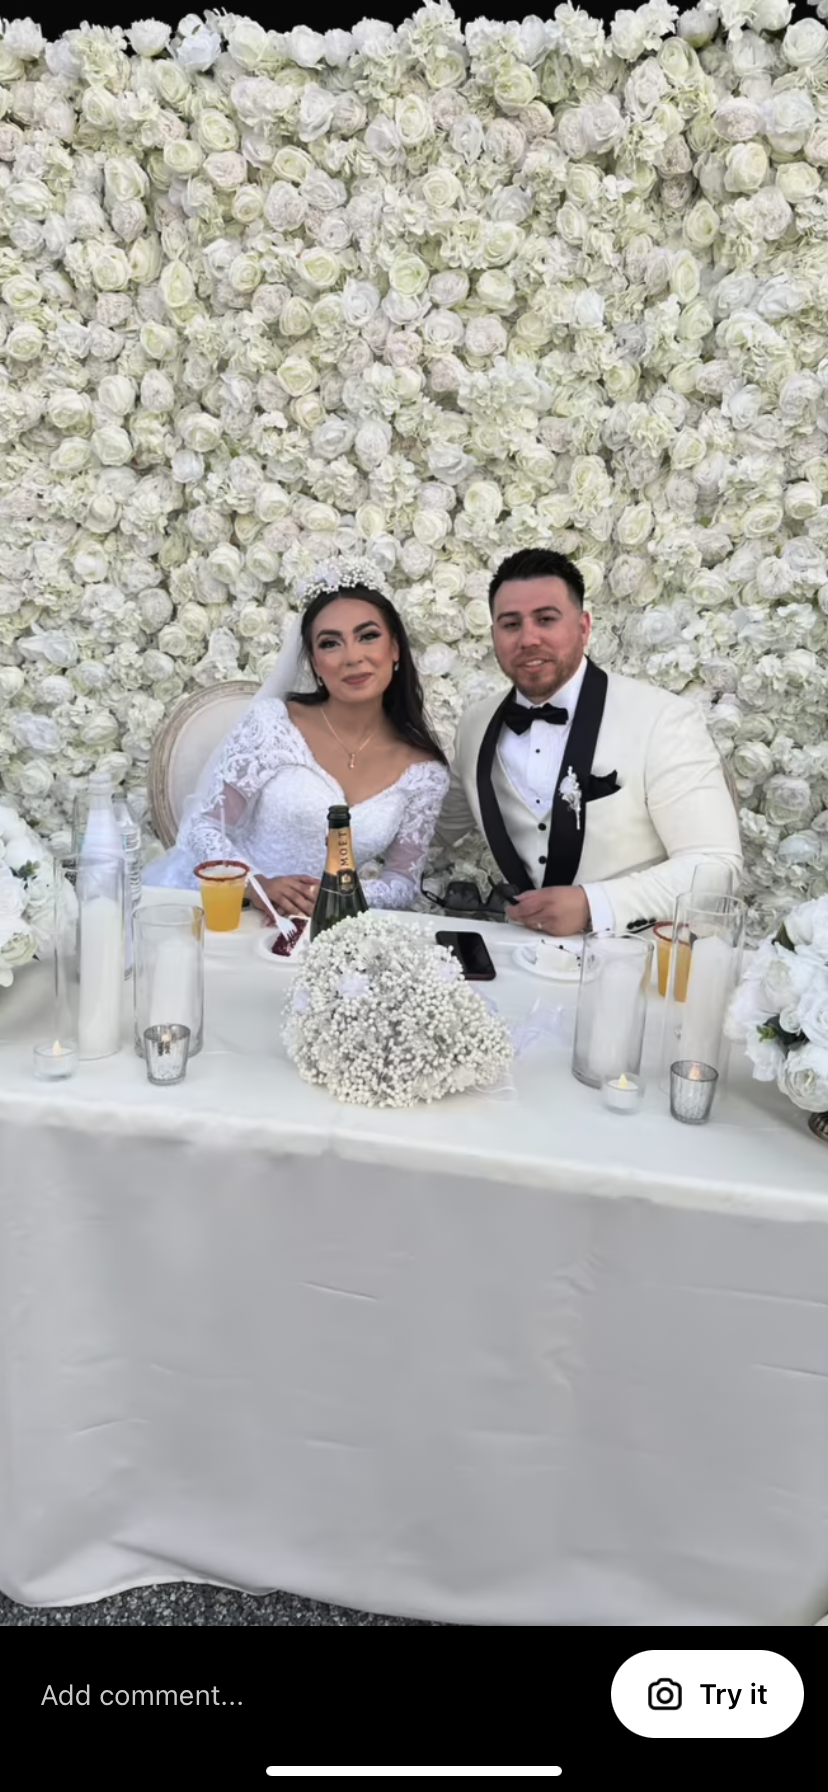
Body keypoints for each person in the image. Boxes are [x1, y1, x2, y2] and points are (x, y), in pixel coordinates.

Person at [434, 547, 742, 936]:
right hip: (520, 953)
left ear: (584, 626)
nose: (528, 638)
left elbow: (716, 866)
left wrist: (595, 905)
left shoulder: (662, 719)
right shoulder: (475, 724)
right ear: (494, 634)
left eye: (546, 619)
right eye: (511, 624)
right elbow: (436, 826)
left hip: (636, 954)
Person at [145, 557, 450, 913]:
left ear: (395, 648)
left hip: (326, 924)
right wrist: (254, 884)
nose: (352, 657)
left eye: (368, 636)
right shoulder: (274, 725)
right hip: (230, 906)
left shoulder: (424, 773)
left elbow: (402, 881)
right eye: (330, 643)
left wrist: (339, 896)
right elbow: (204, 826)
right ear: (315, 662)